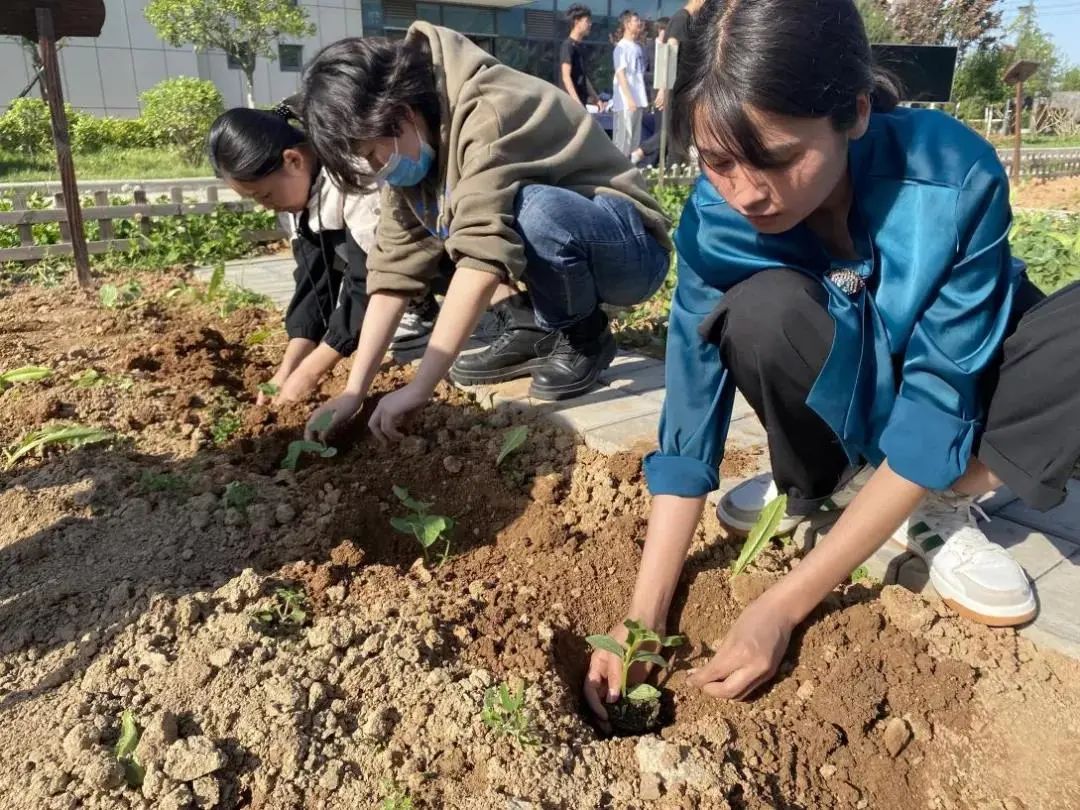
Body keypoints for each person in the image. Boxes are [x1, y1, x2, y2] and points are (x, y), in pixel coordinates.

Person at [584, 0, 1080, 725]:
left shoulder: (949, 177)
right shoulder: (717, 222)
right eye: (717, 162)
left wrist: (783, 606)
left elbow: (944, 394)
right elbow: (689, 422)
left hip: (973, 404)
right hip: (858, 416)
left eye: (780, 158)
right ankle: (838, 484)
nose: (748, 192)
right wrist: (642, 615)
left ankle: (941, 500)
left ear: (852, 113)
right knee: (759, 312)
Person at [296, 23, 671, 442]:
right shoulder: (419, 138)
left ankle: (584, 335)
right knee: (517, 215)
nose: (379, 167)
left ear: (398, 114)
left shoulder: (488, 110)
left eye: (371, 153)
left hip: (630, 251)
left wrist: (421, 387)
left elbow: (482, 257)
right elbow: (392, 273)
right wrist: (354, 390)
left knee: (533, 211)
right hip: (567, 255)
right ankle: (538, 328)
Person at [206, 102, 439, 405]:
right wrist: (287, 371)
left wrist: (313, 370)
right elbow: (312, 283)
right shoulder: (298, 196)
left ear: (292, 160)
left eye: (265, 195)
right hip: (384, 266)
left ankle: (420, 308)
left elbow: (367, 277)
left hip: (427, 251)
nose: (266, 206)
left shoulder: (355, 175)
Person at [631, 0, 701, 167]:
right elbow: (670, 51)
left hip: (683, 90)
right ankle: (640, 153)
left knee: (680, 135)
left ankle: (673, 173)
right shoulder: (680, 19)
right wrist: (664, 88)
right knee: (672, 133)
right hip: (675, 89)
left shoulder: (688, 21)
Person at [611, 10, 648, 157]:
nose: (639, 23)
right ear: (627, 24)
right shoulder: (621, 47)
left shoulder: (638, 47)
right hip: (626, 103)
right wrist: (629, 99)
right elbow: (620, 75)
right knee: (622, 142)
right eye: (636, 21)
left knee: (634, 143)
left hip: (638, 102)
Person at [559, 4, 605, 111]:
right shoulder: (568, 46)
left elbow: (583, 77)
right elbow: (566, 77)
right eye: (587, 21)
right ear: (576, 22)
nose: (590, 24)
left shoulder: (581, 47)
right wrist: (576, 102)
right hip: (569, 105)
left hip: (580, 104)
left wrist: (596, 98)